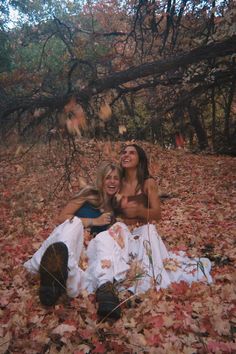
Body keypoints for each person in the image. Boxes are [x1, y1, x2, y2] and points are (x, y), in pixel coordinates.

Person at [86, 143, 212, 319]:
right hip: (123, 232)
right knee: (109, 234)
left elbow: (157, 214)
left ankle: (139, 285)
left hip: (142, 231)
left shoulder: (148, 183)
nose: (126, 155)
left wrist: (138, 211)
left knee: (149, 231)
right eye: (123, 152)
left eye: (131, 153)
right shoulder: (117, 182)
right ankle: (106, 287)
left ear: (140, 159)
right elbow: (105, 205)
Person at [24, 161, 121, 307]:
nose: (112, 181)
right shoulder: (89, 194)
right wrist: (94, 221)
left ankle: (58, 279)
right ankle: (59, 272)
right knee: (74, 222)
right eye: (108, 177)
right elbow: (62, 217)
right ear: (101, 180)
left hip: (85, 253)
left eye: (116, 178)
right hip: (68, 240)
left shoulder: (114, 209)